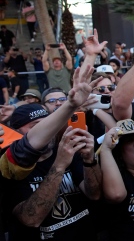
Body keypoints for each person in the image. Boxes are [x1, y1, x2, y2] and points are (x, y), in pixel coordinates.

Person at [0, 66, 102, 240]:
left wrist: (89, 160)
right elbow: (31, 219)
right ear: (17, 132)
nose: (47, 132)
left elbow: (94, 194)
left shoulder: (66, 150)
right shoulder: (12, 168)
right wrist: (60, 165)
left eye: (48, 124)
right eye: (36, 127)